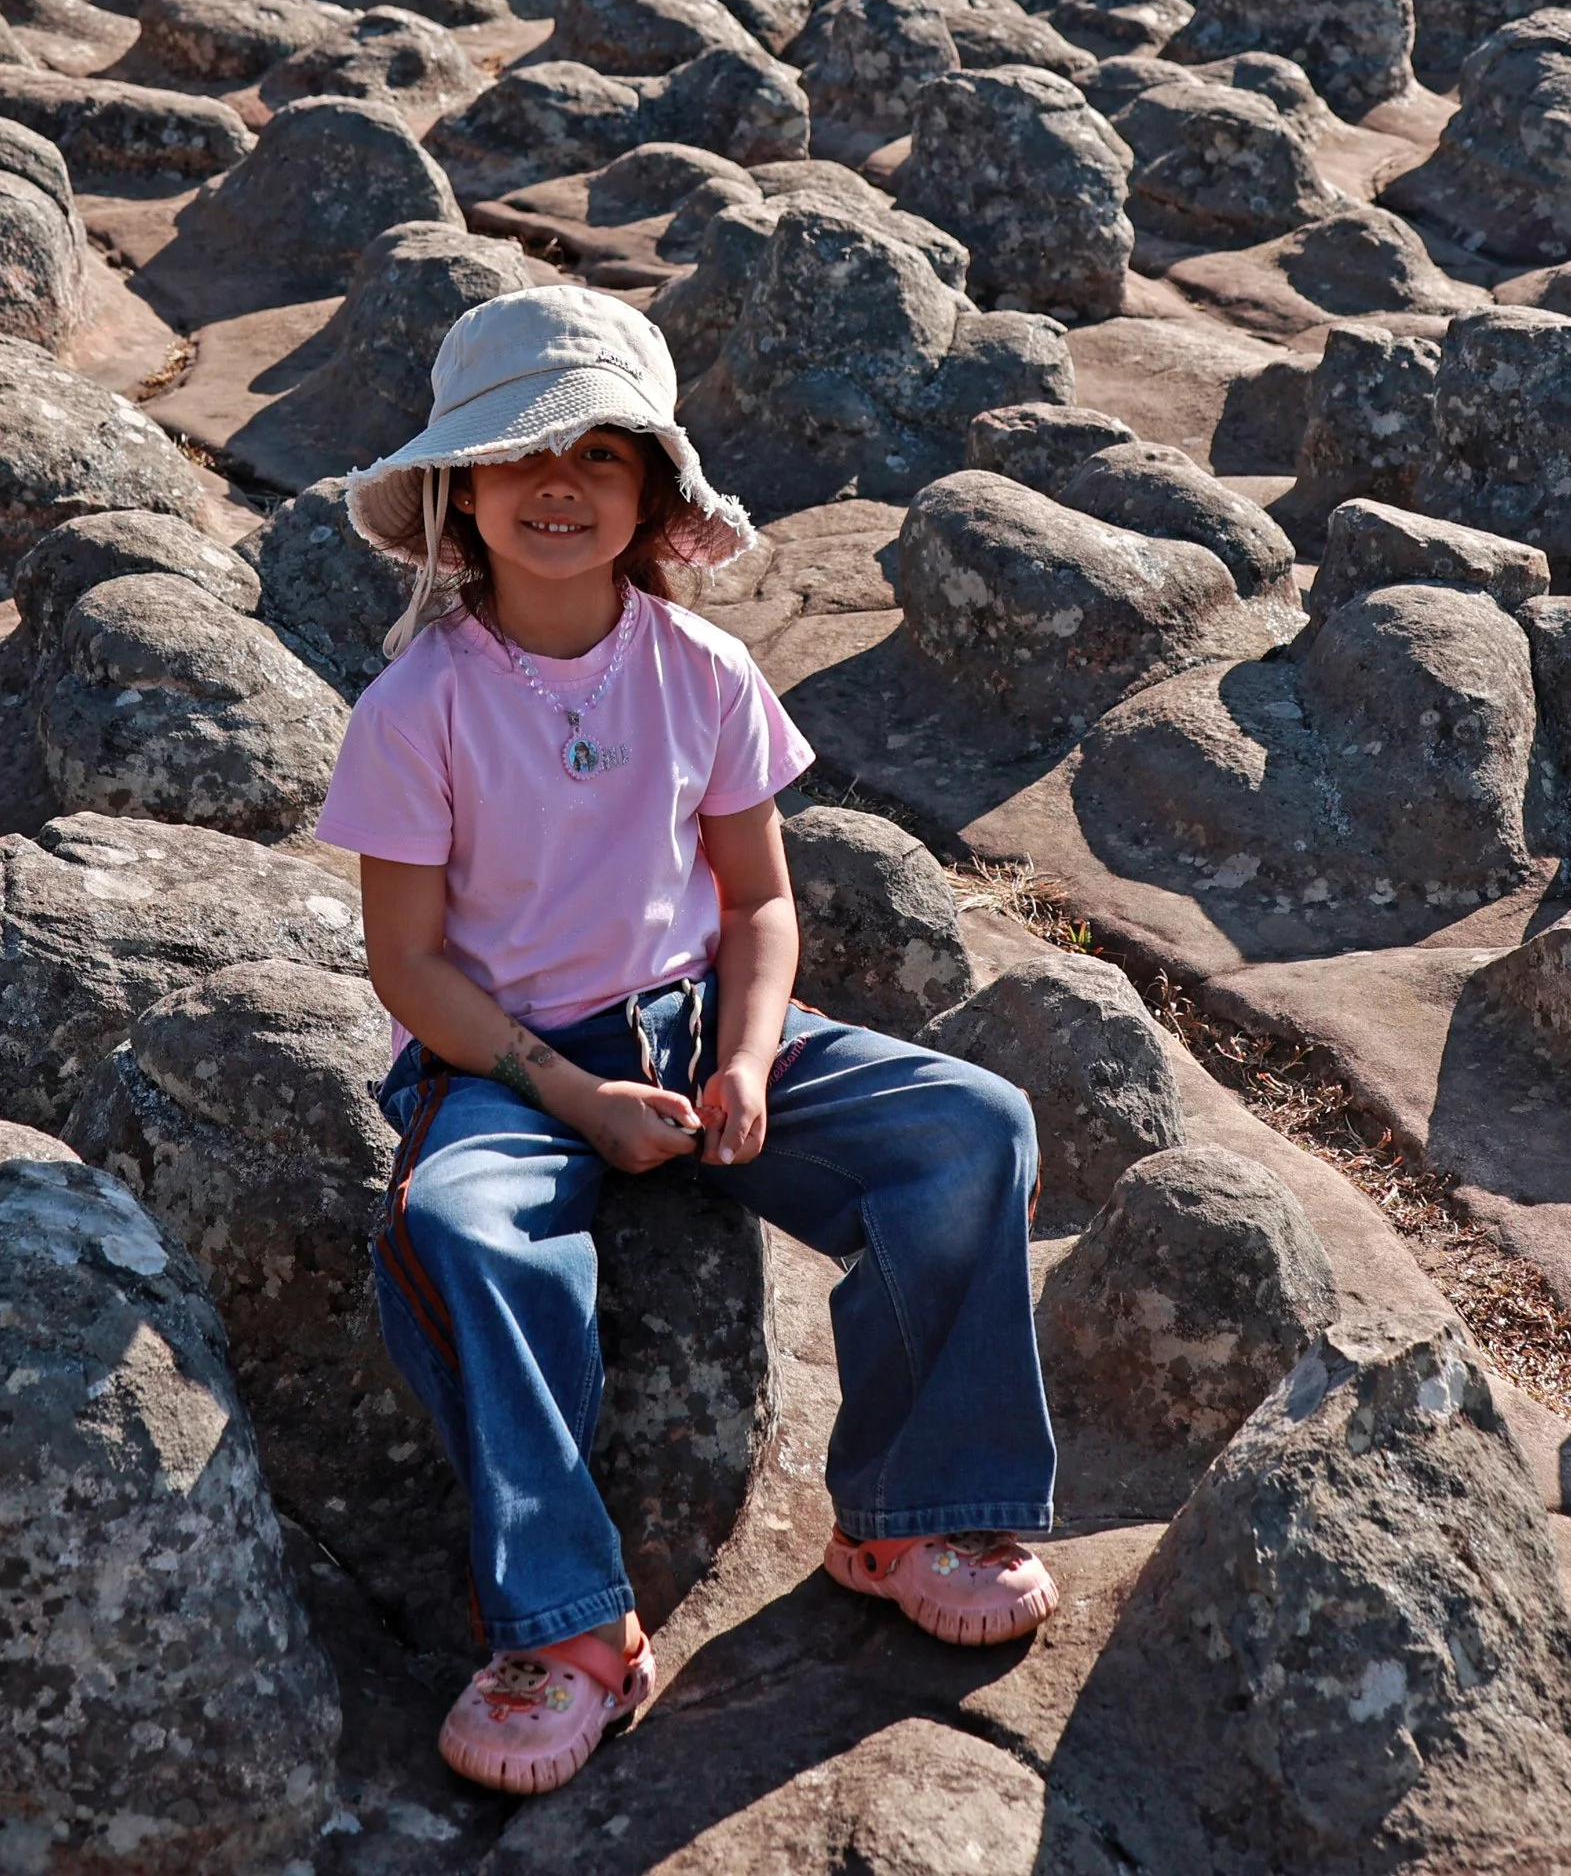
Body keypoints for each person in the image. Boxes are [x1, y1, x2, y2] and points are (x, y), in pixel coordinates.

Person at [315, 286, 1058, 1797]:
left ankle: (909, 1510)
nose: (562, 485)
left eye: (603, 452)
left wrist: (747, 1052)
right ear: (461, 491)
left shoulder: (705, 672)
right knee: (458, 1228)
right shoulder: (417, 706)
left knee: (974, 1128)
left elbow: (761, 900)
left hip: (698, 1021)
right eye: (521, 456)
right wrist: (572, 1093)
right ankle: (574, 1628)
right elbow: (409, 963)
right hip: (507, 1061)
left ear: (656, 488)